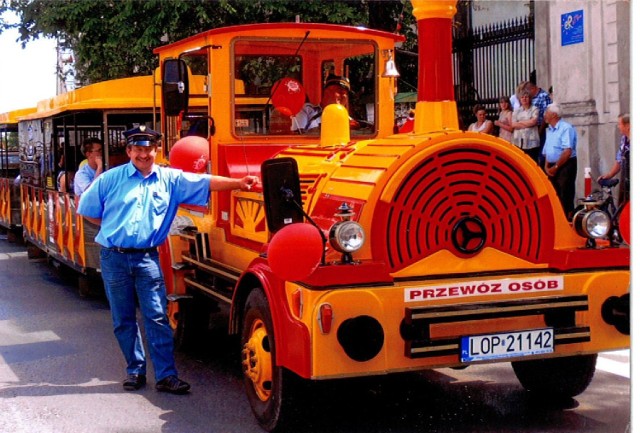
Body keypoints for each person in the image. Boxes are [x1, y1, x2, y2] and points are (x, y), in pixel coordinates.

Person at [77, 126, 259, 394]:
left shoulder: (169, 179)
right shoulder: (109, 179)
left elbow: (205, 181)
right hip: (114, 258)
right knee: (123, 319)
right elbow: (87, 210)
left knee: (157, 317)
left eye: (148, 149)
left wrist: (238, 183)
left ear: (156, 150)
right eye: (137, 149)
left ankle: (166, 376)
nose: (143, 154)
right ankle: (135, 371)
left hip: (147, 259)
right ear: (129, 151)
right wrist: (113, 228)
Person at [542, 103, 577, 216]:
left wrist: (556, 167)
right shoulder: (549, 130)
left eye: (547, 112)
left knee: (564, 193)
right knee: (553, 193)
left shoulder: (566, 128)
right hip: (551, 165)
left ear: (554, 115)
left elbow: (567, 151)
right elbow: (547, 149)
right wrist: (547, 166)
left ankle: (567, 217)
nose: (544, 115)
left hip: (565, 164)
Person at [598, 113, 630, 205]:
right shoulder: (624, 139)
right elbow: (619, 160)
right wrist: (609, 174)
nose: (618, 126)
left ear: (627, 126)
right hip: (626, 179)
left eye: (619, 124)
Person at [511, 90, 540, 163]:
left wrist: (519, 122)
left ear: (529, 98)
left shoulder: (534, 109)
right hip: (519, 141)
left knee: (532, 162)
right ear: (520, 99)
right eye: (522, 97)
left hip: (531, 142)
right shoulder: (516, 111)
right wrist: (528, 122)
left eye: (526, 97)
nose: (524, 99)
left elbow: (533, 122)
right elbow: (513, 124)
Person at [526, 80, 553, 149]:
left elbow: (545, 114)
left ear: (532, 89)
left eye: (528, 91)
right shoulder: (533, 98)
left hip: (542, 127)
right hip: (533, 128)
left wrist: (540, 130)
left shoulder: (543, 96)